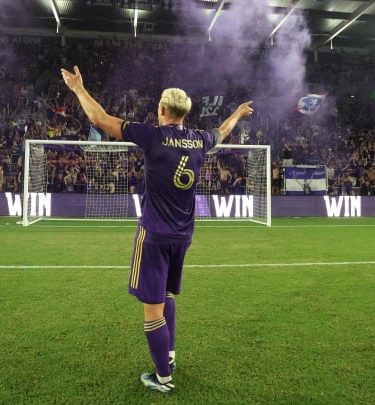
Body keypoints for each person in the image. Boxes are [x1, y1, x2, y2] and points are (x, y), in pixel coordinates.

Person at [61, 65, 253, 394]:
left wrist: (78, 89)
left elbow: (100, 119)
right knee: (165, 294)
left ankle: (163, 377)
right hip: (183, 236)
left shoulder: (153, 135)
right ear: (185, 115)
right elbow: (223, 131)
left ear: (162, 110)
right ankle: (171, 353)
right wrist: (237, 112)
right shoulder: (200, 141)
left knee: (152, 308)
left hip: (153, 235)